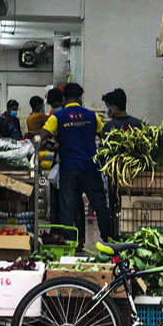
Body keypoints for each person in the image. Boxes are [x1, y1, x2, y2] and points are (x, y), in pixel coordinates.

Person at [41, 82, 114, 240]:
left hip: (69, 168)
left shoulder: (57, 117)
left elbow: (42, 136)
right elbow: (106, 137)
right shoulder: (92, 116)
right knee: (100, 204)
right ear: (80, 97)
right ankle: (109, 239)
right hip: (90, 167)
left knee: (69, 207)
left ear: (64, 98)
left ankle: (72, 241)